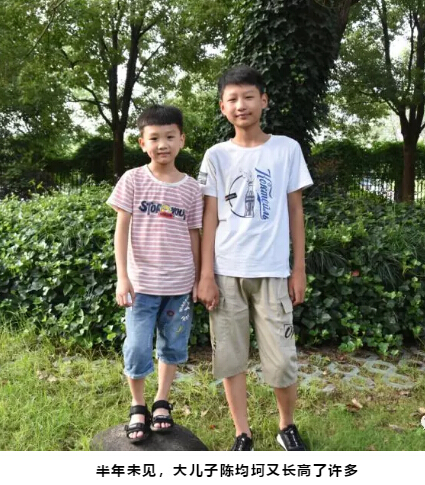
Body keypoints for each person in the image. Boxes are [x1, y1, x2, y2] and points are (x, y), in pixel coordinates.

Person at [197, 65, 313, 451]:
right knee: (230, 358)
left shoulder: (286, 149)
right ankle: (242, 433)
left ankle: (286, 426)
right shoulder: (216, 155)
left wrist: (298, 269)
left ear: (264, 100)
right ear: (222, 107)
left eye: (248, 96)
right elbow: (209, 217)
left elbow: (295, 211)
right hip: (225, 271)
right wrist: (206, 274)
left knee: (281, 359)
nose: (241, 105)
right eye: (232, 99)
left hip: (273, 272)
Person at [106, 105, 202, 443]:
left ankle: (161, 401)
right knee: (136, 347)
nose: (163, 144)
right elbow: (121, 230)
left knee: (172, 346)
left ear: (182, 140)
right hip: (141, 285)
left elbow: (194, 234)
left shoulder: (192, 188)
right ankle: (138, 405)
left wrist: (198, 277)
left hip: (179, 284)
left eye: (170, 137)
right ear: (142, 143)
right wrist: (122, 276)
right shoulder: (132, 179)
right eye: (155, 138)